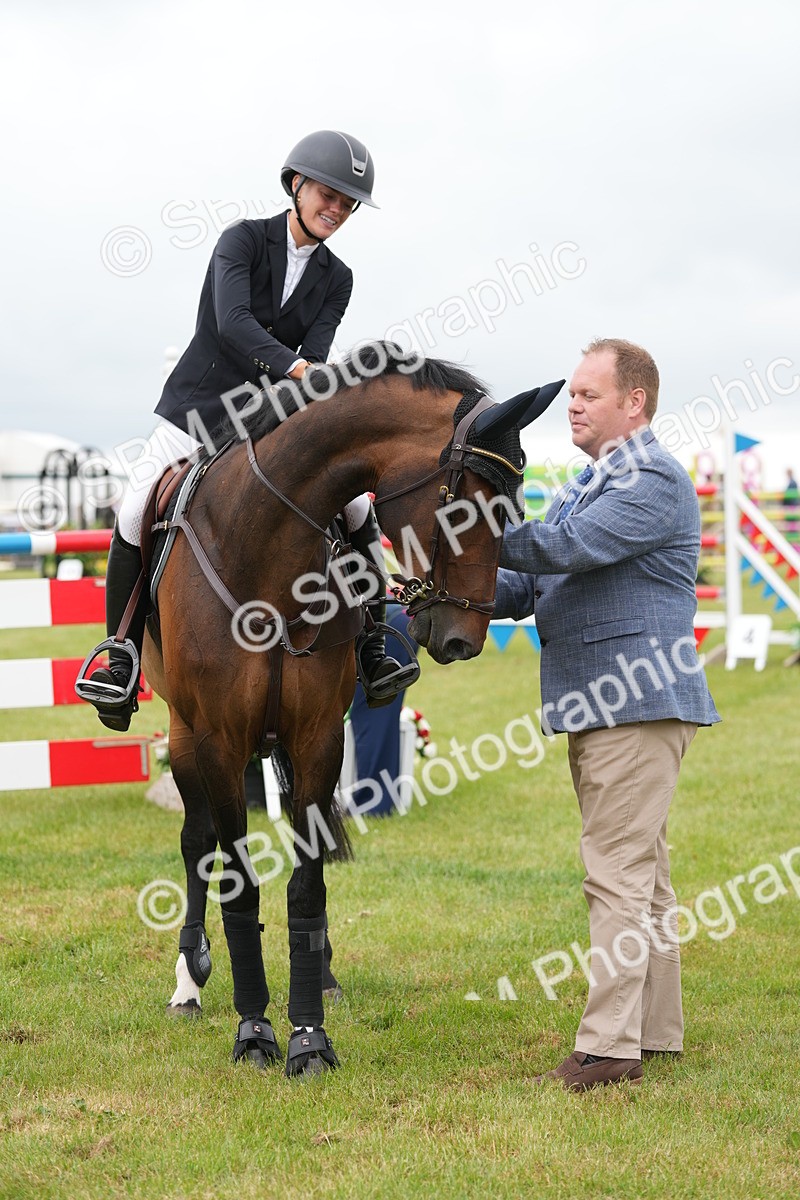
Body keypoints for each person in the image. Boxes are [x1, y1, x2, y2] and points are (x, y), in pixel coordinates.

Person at [80, 130, 415, 730]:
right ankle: (120, 657)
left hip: (272, 423)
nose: (336, 209)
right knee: (133, 509)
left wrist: (307, 383)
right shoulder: (241, 240)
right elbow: (231, 323)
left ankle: (372, 641)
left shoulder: (339, 278)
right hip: (200, 409)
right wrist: (297, 369)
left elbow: (316, 348)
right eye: (328, 194)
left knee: (357, 510)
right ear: (296, 185)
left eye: (347, 202)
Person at [494, 338, 720, 1091]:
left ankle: (609, 1047)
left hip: (635, 702)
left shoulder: (650, 479)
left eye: (590, 394)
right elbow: (528, 589)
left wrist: (460, 530)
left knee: (616, 876)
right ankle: (653, 1032)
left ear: (636, 403)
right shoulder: (588, 483)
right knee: (644, 878)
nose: (573, 405)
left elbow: (567, 548)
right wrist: (435, 581)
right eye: (572, 396)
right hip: (613, 705)